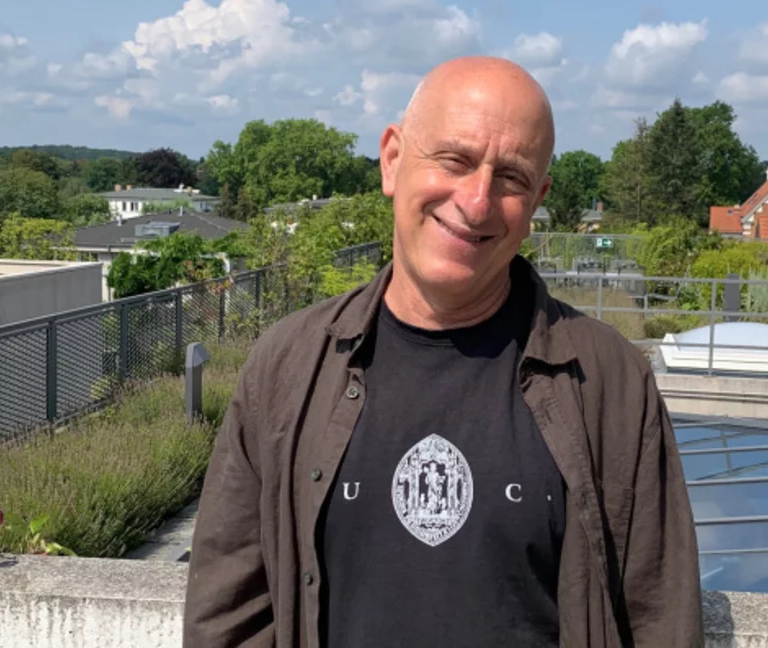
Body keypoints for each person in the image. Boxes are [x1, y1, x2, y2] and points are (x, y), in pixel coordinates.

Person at [184, 56, 702, 647]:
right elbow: (229, 616)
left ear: (537, 199)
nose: (477, 202)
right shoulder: (287, 366)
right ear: (392, 159)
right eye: (455, 160)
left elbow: (660, 617)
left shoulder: (610, 381)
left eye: (511, 177)